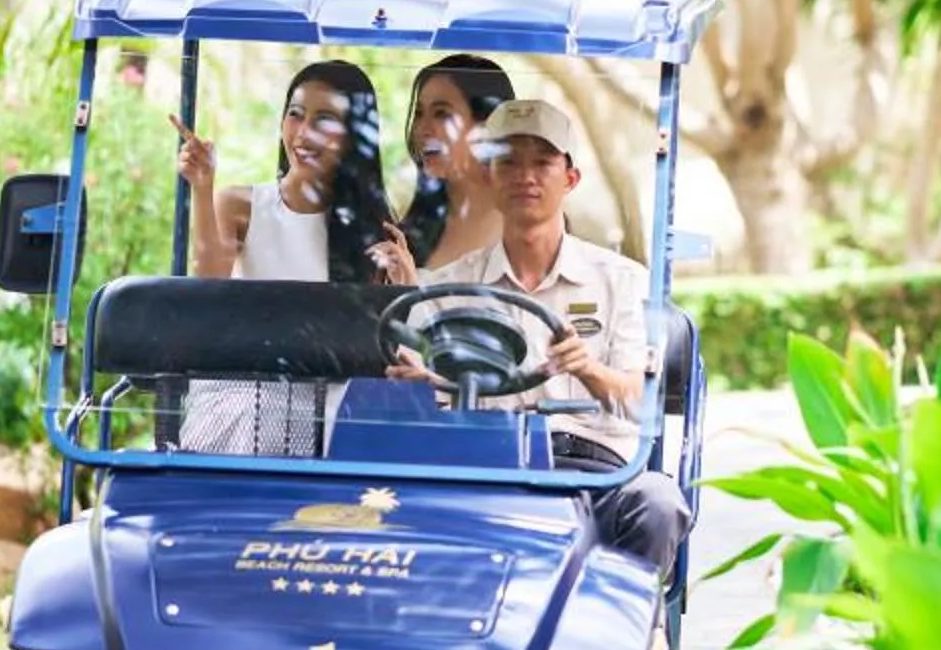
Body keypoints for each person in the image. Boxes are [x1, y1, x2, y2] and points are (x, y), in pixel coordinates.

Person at [396, 99, 691, 578]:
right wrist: (419, 389)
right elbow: (422, 405)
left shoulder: (622, 280)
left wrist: (588, 368)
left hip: (598, 475)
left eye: (542, 162)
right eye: (508, 162)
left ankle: (627, 637)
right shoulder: (448, 288)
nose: (524, 176)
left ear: (569, 179)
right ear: (489, 178)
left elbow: (640, 404)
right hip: (490, 473)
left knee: (658, 502)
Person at [171, 59, 408, 453]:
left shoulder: (372, 228)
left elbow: (389, 345)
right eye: (295, 115)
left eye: (324, 120)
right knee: (263, 415)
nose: (303, 133)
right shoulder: (240, 205)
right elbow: (208, 284)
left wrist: (406, 284)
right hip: (249, 395)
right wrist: (202, 186)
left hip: (328, 406)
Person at [398, 54, 514, 272]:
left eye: (441, 114)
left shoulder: (526, 219)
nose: (423, 128)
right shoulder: (415, 228)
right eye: (419, 114)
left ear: (486, 126)